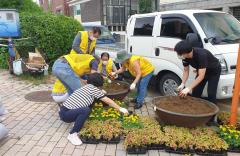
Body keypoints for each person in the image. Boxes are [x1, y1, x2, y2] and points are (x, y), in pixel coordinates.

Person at [59, 73, 129, 145]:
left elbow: (93, 94)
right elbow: (107, 101)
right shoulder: (93, 89)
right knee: (85, 110)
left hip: (65, 111)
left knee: (89, 105)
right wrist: (120, 108)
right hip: (66, 115)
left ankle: (77, 121)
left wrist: (101, 92)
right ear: (98, 82)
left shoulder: (87, 87)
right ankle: (72, 134)